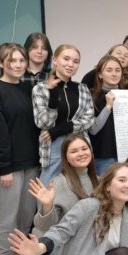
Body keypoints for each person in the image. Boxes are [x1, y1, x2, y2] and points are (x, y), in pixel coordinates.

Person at [0, 43, 40, 255]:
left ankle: (20, 253)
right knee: (8, 216)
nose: (18, 65)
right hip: (8, 167)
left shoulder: (28, 88)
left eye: (21, 60)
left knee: (26, 213)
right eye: (12, 61)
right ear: (0, 63)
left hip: (30, 162)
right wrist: (4, 168)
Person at [33, 44, 95, 184]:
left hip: (80, 144)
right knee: (48, 186)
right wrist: (53, 97)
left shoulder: (82, 88)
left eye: (75, 61)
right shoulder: (40, 89)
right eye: (66, 59)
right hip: (53, 145)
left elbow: (89, 120)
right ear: (55, 60)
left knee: (82, 185)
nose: (70, 64)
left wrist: (61, 129)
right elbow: (43, 123)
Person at [89, 56, 123, 175]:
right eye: (109, 70)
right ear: (100, 74)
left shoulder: (127, 95)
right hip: (102, 157)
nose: (114, 74)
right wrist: (108, 106)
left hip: (125, 154)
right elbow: (93, 129)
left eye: (117, 70)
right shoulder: (91, 95)